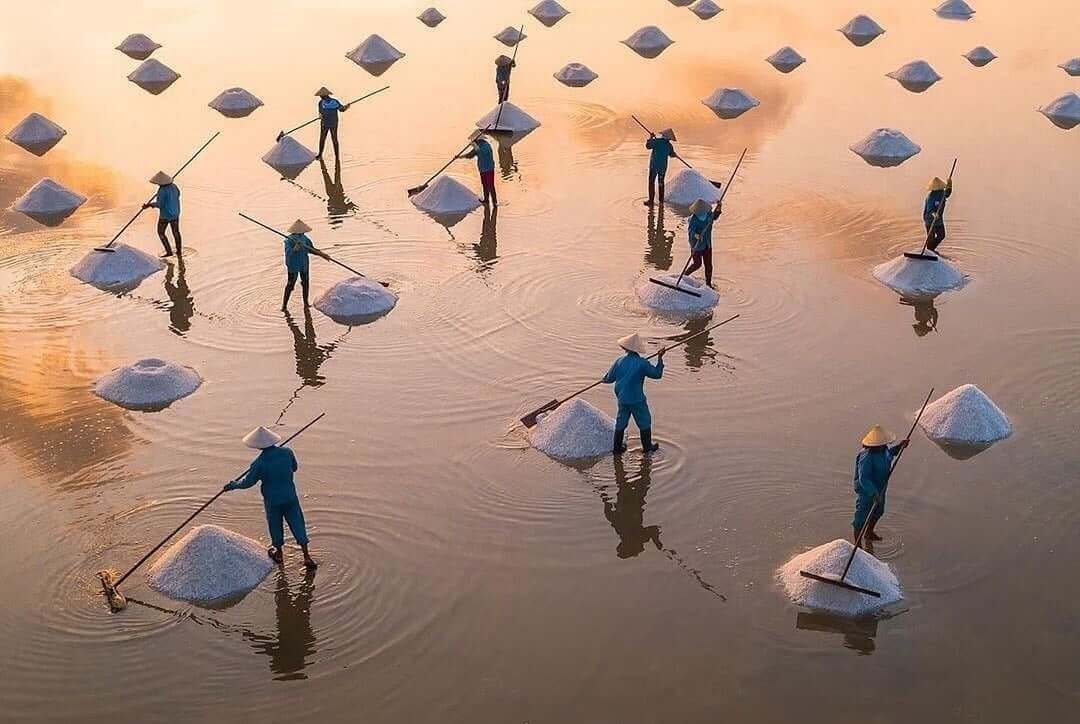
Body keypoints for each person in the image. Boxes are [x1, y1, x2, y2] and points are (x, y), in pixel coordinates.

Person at [223, 425, 318, 568]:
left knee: (275, 525)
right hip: (290, 497)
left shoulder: (258, 463)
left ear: (257, 446)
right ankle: (307, 557)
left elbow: (248, 483)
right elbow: (294, 468)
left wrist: (233, 485)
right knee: (297, 523)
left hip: (273, 501)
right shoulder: (287, 452)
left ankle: (279, 554)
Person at [603, 333, 665, 455]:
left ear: (625, 348)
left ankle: (617, 449)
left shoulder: (619, 361)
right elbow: (657, 374)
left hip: (622, 398)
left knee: (621, 422)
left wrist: (603, 379)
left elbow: (609, 378)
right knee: (645, 421)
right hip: (637, 399)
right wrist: (660, 358)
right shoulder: (642, 363)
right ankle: (647, 448)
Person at [851, 425, 909, 547]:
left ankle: (869, 532)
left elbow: (890, 453)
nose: (884, 446)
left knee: (878, 511)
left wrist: (899, 447)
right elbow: (864, 478)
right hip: (867, 491)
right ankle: (857, 544)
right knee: (861, 517)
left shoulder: (884, 450)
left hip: (881, 487)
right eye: (882, 445)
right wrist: (873, 492)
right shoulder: (866, 457)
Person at [281, 219, 326, 310]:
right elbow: (288, 253)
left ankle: (306, 303)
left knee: (305, 282)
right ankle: (284, 306)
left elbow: (311, 249)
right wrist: (295, 249)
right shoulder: (289, 240)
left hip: (303, 263)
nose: (302, 233)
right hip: (293, 264)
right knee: (290, 284)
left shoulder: (305, 238)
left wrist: (321, 254)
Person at [684, 198, 722, 287]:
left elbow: (714, 216)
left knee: (708, 265)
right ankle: (684, 277)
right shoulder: (693, 220)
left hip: (707, 244)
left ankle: (708, 284)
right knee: (697, 264)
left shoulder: (708, 214)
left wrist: (719, 207)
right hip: (696, 245)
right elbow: (691, 232)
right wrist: (697, 235)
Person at [144, 171, 181, 257]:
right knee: (176, 232)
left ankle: (169, 252)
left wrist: (149, 205)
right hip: (175, 213)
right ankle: (179, 251)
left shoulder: (162, 190)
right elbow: (178, 194)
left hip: (165, 215)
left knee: (161, 232)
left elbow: (159, 204)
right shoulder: (174, 186)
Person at [460, 131, 497, 206]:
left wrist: (475, 147)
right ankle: (486, 200)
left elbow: (482, 153)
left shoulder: (486, 145)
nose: (473, 142)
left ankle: (494, 202)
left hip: (489, 169)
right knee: (484, 185)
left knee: (490, 186)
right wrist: (460, 157)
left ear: (478, 140)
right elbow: (470, 155)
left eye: (474, 140)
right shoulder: (478, 146)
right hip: (482, 169)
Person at [644, 128, 677, 207]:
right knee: (661, 183)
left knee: (651, 182)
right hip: (662, 167)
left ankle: (651, 201)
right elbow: (671, 155)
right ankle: (661, 202)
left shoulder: (657, 141)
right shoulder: (669, 145)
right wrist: (674, 154)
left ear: (663, 135)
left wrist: (651, 137)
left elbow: (648, 146)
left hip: (654, 166)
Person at [315, 87, 350, 160]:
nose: (320, 97)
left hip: (329, 123)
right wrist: (346, 107)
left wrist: (346, 107)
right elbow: (342, 109)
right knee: (331, 139)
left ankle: (324, 155)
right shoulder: (332, 102)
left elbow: (341, 109)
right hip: (328, 123)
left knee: (325, 138)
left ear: (324, 96)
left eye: (321, 96)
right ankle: (331, 156)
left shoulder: (323, 102)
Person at [923, 176, 953, 252]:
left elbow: (947, 193)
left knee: (941, 235)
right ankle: (929, 251)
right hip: (930, 219)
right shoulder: (930, 197)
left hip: (939, 219)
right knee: (931, 238)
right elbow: (929, 211)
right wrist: (934, 214)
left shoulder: (942, 192)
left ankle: (931, 250)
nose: (941, 190)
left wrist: (950, 185)